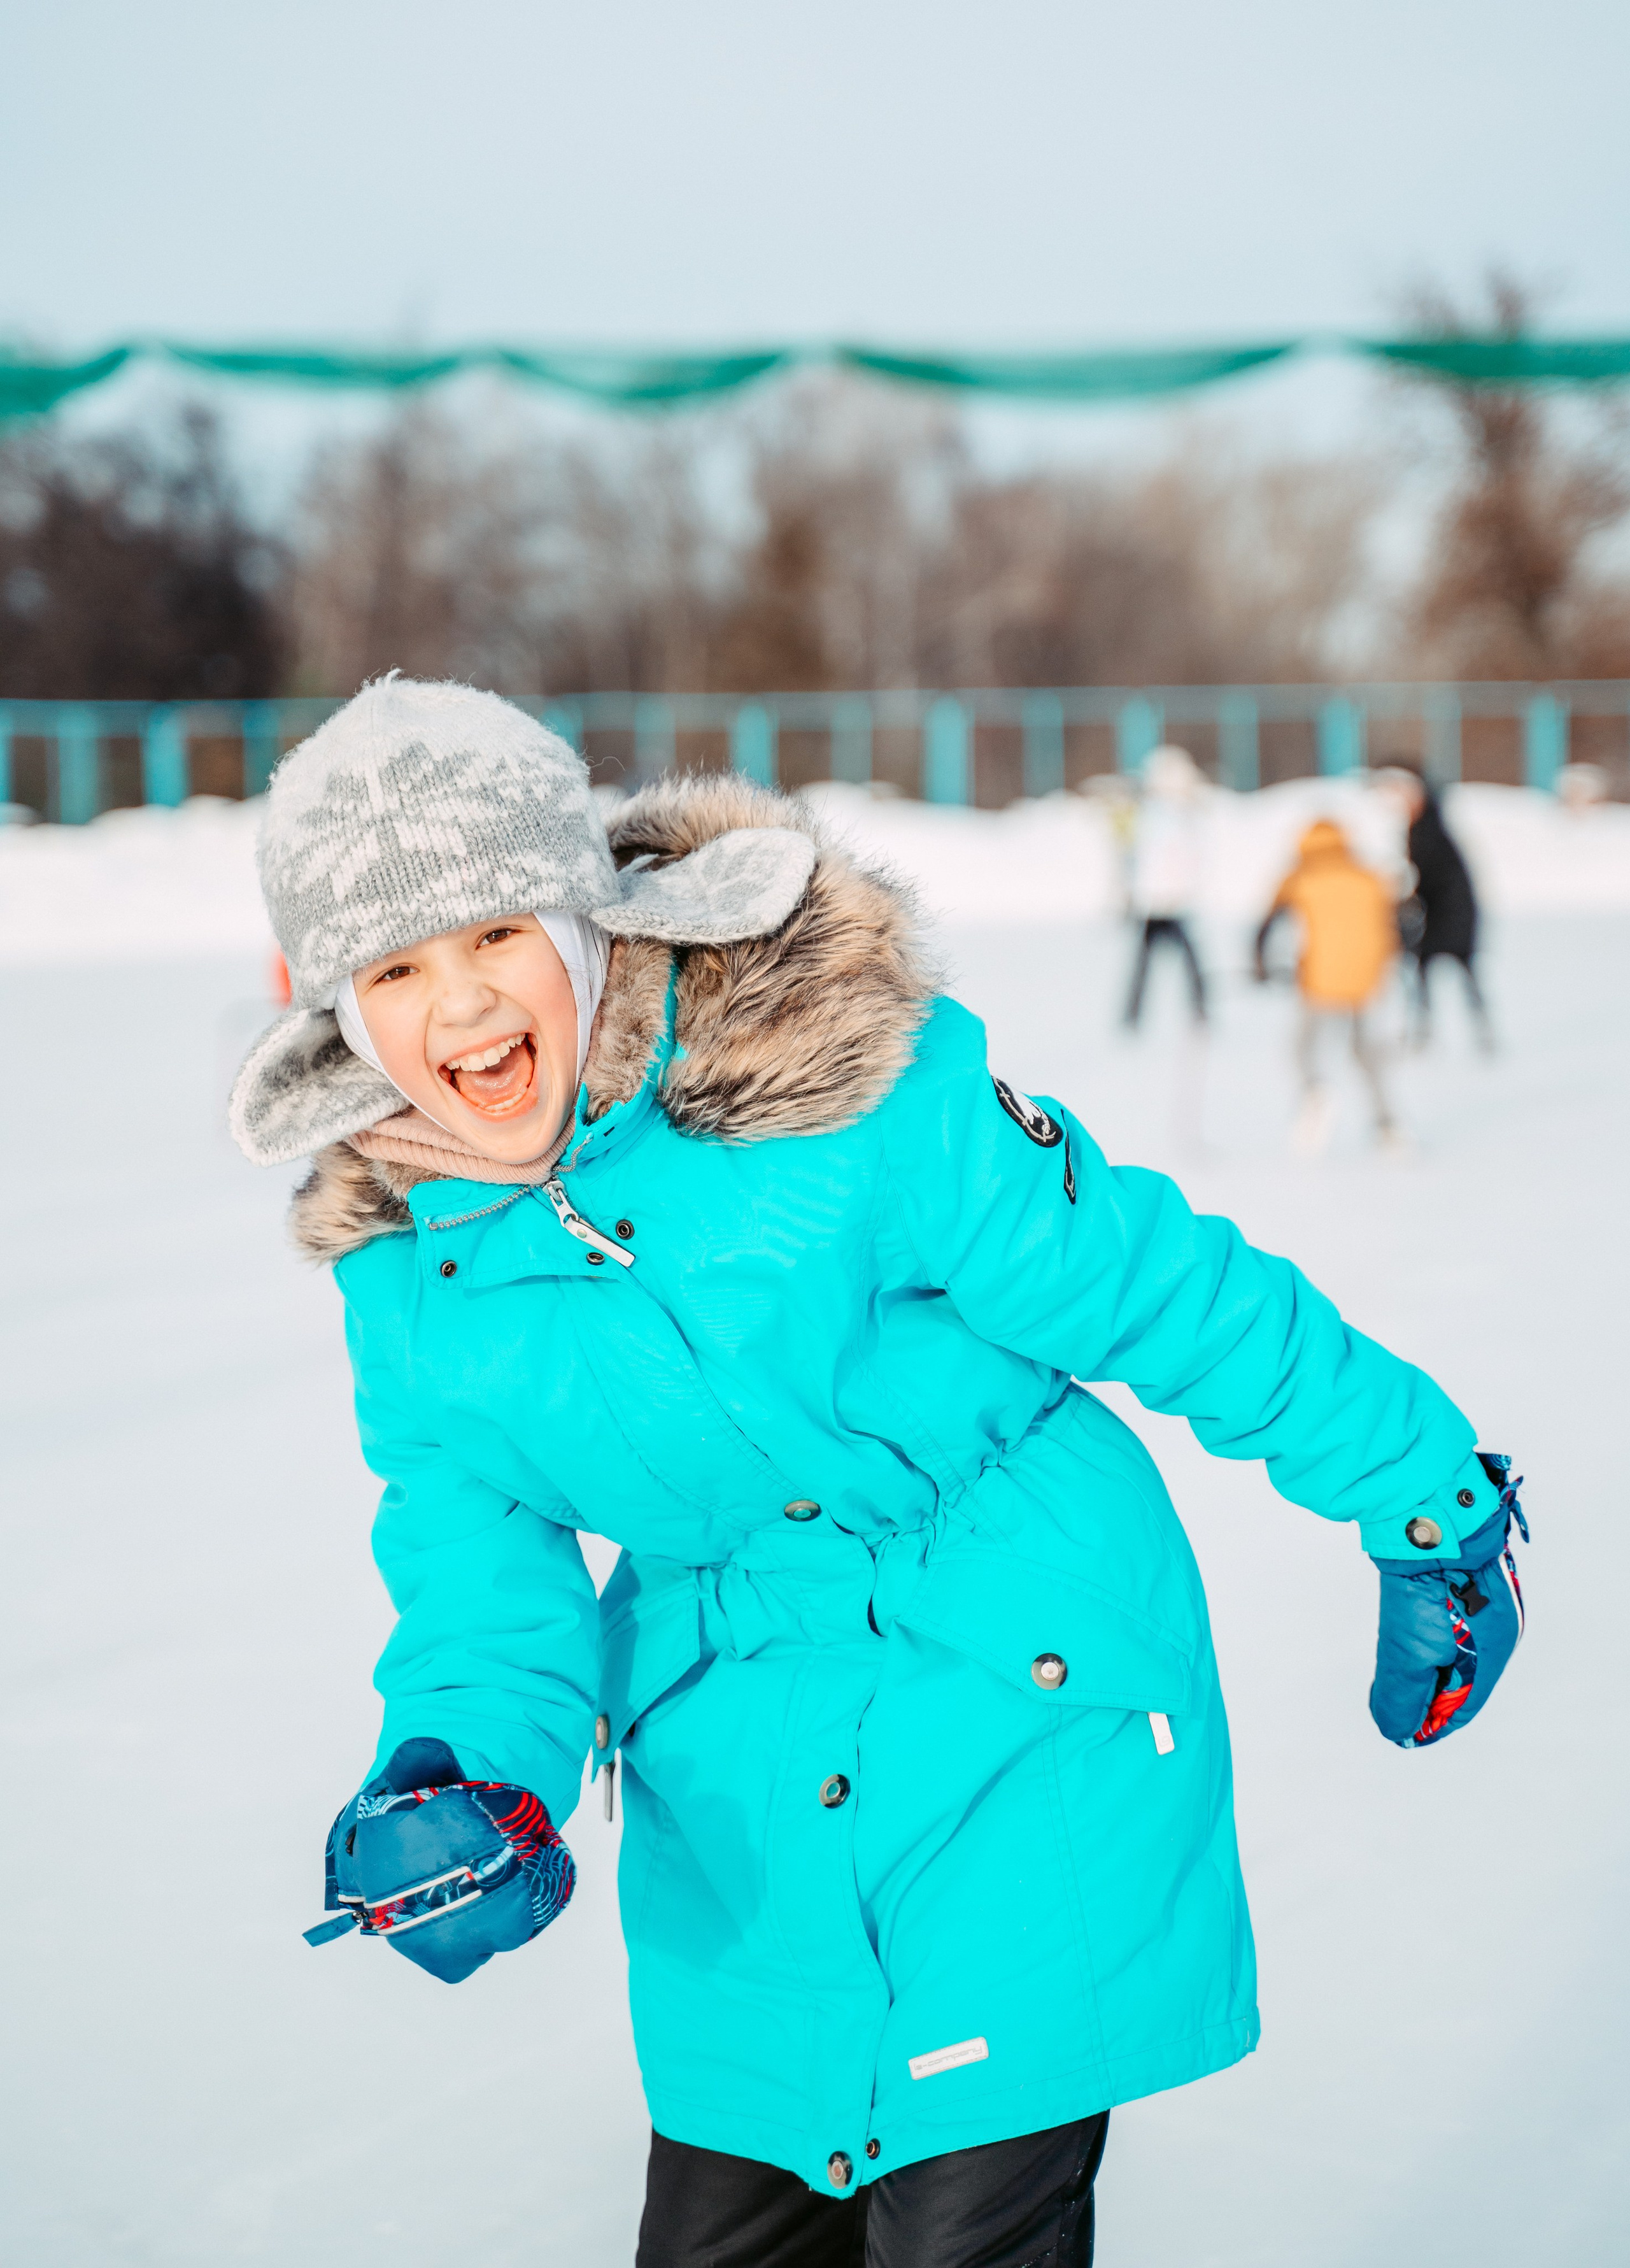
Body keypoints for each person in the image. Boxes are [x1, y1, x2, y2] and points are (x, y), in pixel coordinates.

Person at [231, 680, 1528, 2268]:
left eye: (496, 933)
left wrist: (1423, 1493)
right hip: (739, 1790)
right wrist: (462, 1769)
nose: (462, 1005)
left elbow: (1154, 1283)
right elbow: (477, 1579)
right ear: (338, 1010)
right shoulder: (410, 1285)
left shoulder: (832, 1089)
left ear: (582, 922)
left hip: (1020, 1691)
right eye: (396, 968)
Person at [1254, 817, 1401, 1155]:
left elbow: (1269, 922)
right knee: (1364, 1050)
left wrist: (1262, 963)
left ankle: (1314, 1093)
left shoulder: (1302, 876)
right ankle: (1387, 1125)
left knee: (1302, 1046)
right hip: (1366, 977)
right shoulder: (1368, 875)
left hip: (1321, 977)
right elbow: (1395, 920)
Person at [1374, 763, 1491, 1051]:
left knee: (1436, 972)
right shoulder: (1431, 827)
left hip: (1446, 916)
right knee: (1451, 973)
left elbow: (1426, 878)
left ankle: (1429, 1033)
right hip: (1449, 915)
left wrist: (1403, 904)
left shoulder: (1426, 832)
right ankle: (1472, 1032)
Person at [1121, 745, 1208, 1028]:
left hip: (1162, 900)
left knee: (1151, 961)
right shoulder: (1168, 815)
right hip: (1165, 901)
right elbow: (1162, 860)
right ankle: (1198, 1008)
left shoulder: (1159, 814)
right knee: (1176, 959)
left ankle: (1136, 1014)